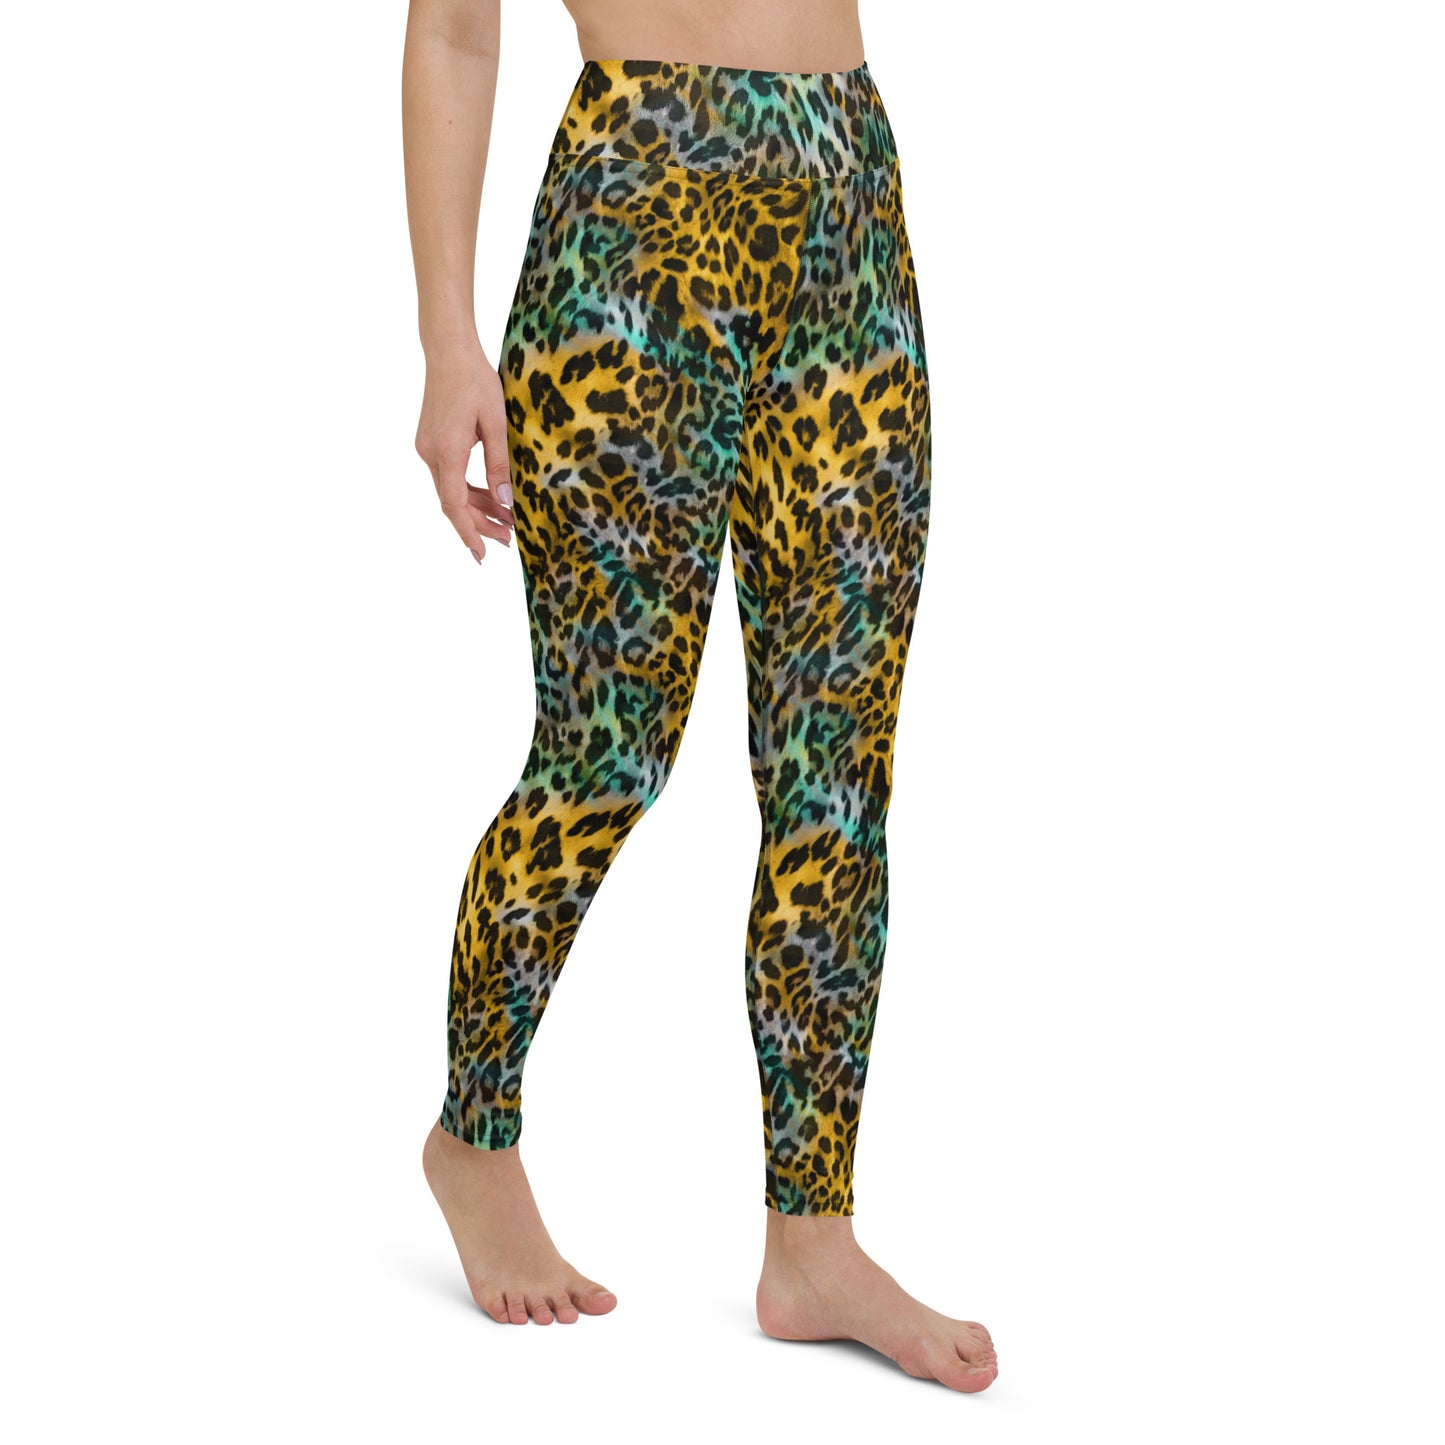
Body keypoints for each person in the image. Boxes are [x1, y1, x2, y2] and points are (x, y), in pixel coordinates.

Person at [402, 0, 998, 1392]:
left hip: (847, 201)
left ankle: (813, 1239)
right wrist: (446, 342)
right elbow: (454, 31)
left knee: (837, 779)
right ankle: (473, 1138)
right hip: (633, 216)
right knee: (603, 758)